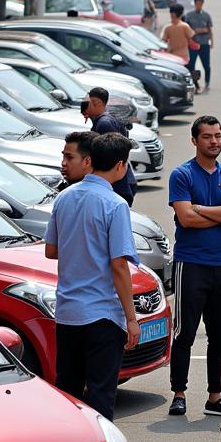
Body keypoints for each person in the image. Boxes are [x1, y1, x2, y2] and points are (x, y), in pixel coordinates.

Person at [44, 131, 140, 422]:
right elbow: (119, 265)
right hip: (102, 315)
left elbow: (51, 250)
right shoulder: (115, 204)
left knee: (69, 392)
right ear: (120, 166)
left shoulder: (64, 198)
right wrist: (132, 318)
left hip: (67, 313)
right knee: (100, 395)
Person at [167, 116, 221, 417]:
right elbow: (185, 219)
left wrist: (199, 207)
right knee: (184, 333)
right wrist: (218, 213)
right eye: (208, 136)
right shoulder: (181, 174)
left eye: (218, 135)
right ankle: (179, 393)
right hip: (191, 263)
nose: (214, 141)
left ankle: (215, 397)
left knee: (219, 335)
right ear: (194, 140)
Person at [82, 87, 137, 206]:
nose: (83, 107)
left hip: (118, 186)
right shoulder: (103, 121)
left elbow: (111, 156)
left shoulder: (104, 124)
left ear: (96, 103)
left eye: (87, 103)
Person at [183, 0, 213, 92]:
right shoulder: (189, 15)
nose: (198, 6)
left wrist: (212, 41)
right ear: (195, 4)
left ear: (202, 4)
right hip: (193, 44)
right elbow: (187, 29)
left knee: (206, 65)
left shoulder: (206, 15)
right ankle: (196, 84)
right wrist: (197, 31)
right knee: (191, 65)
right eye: (197, 4)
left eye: (200, 4)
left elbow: (209, 29)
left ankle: (207, 83)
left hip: (204, 43)